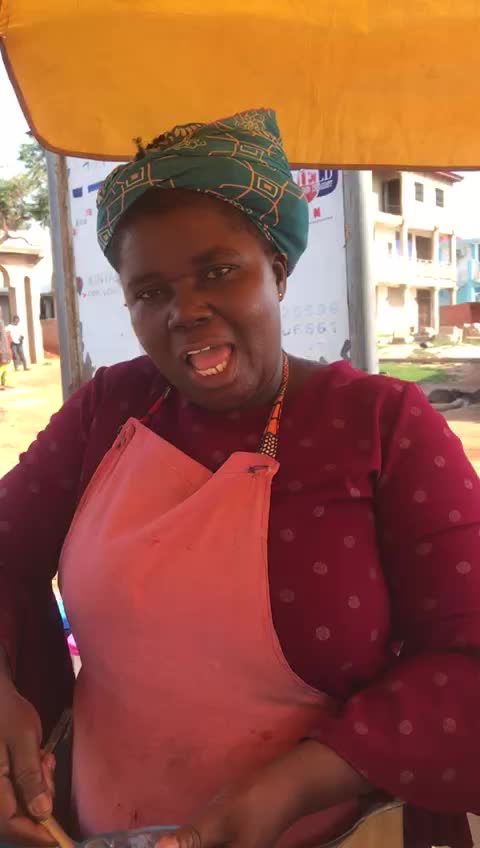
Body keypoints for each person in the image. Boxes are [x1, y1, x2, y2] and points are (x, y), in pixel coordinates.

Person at [0, 109, 479, 848]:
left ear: (277, 273)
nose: (185, 311)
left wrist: (290, 787)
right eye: (149, 292)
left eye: (218, 272)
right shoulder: (110, 407)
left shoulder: (382, 425)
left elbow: (468, 659)